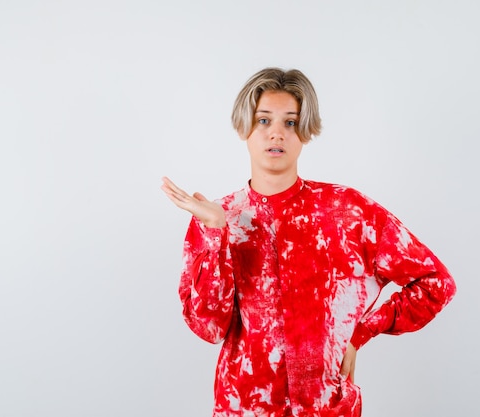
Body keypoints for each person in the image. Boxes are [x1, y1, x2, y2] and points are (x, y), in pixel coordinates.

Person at [160, 67, 456, 417]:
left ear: (305, 132)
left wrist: (360, 333)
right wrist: (214, 230)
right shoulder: (218, 217)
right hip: (245, 407)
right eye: (263, 120)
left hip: (328, 406)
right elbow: (209, 328)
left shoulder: (347, 212)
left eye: (290, 123)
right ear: (244, 129)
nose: (277, 134)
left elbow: (436, 283)